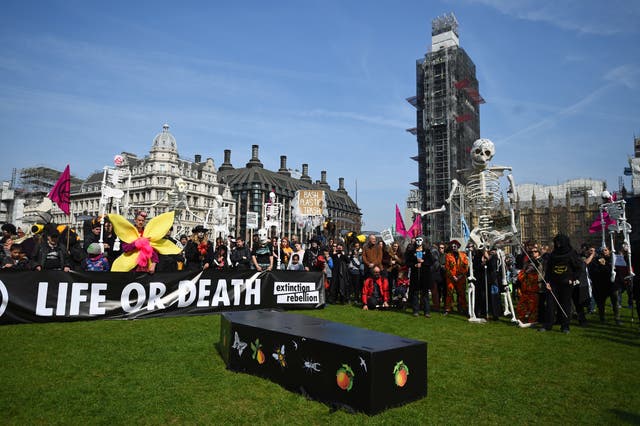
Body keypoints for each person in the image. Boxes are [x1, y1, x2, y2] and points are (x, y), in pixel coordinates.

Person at [539, 234, 583, 334]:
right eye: (556, 242)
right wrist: (547, 282)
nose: (558, 244)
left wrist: (573, 278)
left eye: (560, 242)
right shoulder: (553, 254)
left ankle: (565, 326)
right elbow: (549, 269)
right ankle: (548, 324)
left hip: (566, 283)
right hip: (553, 283)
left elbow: (579, 268)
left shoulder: (571, 253)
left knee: (565, 304)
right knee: (550, 304)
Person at [588, 246, 620, 324]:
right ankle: (602, 318)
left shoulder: (613, 260)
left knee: (615, 302)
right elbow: (594, 272)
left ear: (609, 251)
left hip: (612, 285)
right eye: (602, 250)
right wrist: (602, 265)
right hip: (601, 286)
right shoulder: (596, 260)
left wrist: (608, 266)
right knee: (601, 303)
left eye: (606, 250)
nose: (604, 251)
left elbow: (616, 272)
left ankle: (617, 318)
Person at [406, 236, 435, 317]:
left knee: (425, 294)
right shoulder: (411, 252)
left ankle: (427, 311)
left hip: (425, 276)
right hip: (415, 275)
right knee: (415, 293)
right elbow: (407, 262)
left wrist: (423, 261)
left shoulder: (427, 251)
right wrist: (414, 264)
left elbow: (431, 261)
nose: (418, 242)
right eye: (417, 240)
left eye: (420, 240)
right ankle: (415, 310)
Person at [515, 246, 543, 327]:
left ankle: (532, 321)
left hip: (534, 288)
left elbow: (541, 274)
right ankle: (521, 319)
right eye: (532, 252)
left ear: (539, 252)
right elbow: (523, 272)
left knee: (533, 306)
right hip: (525, 288)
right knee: (521, 305)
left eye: (535, 251)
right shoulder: (528, 261)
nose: (533, 253)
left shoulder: (541, 261)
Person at [444, 239, 469, 315]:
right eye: (452, 246)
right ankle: (448, 309)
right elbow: (447, 267)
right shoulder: (448, 256)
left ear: (458, 246)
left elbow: (466, 267)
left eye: (455, 246)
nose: (454, 247)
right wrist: (453, 276)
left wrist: (460, 276)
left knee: (462, 293)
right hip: (451, 278)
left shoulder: (463, 255)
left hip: (461, 278)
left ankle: (463, 308)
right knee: (449, 293)